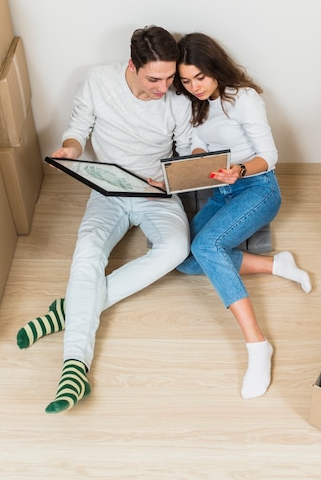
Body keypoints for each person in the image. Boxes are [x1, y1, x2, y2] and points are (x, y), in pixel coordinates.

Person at [18, 25, 193, 414]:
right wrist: (69, 149)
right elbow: (79, 129)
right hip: (109, 188)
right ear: (132, 65)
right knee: (86, 254)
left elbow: (186, 153)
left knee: (177, 247)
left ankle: (74, 307)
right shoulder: (98, 81)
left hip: (154, 191)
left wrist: (167, 177)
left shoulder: (177, 100)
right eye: (154, 78)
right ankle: (74, 366)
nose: (163, 87)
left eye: (169, 77)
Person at [174, 32, 312, 400]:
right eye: (186, 81)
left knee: (206, 245)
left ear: (214, 67)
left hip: (257, 187)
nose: (194, 87)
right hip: (220, 188)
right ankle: (275, 265)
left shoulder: (243, 99)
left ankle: (257, 344)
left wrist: (239, 170)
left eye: (200, 77)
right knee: (186, 260)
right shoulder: (190, 103)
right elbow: (194, 144)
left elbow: (269, 154)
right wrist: (199, 158)